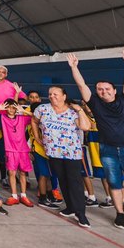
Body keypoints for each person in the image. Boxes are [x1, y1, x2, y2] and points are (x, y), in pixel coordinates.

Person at [68, 49, 124, 237]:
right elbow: (81, 85)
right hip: (108, 149)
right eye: (100, 89)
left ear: (114, 90)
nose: (103, 92)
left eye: (107, 89)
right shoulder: (95, 103)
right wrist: (74, 68)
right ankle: (120, 214)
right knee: (114, 184)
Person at [32, 85, 92, 228]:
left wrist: (80, 110)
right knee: (62, 180)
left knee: (75, 182)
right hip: (53, 152)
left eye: (56, 94)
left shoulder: (73, 111)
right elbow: (34, 121)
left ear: (64, 96)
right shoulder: (42, 109)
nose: (52, 96)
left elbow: (85, 127)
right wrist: (36, 135)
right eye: (50, 94)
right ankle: (70, 207)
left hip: (72, 153)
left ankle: (81, 213)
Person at [0, 98, 34, 207]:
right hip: (10, 150)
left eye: (13, 107)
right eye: (8, 107)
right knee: (11, 173)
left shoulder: (22, 118)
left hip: (22, 150)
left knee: (23, 172)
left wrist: (23, 110)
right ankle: (14, 196)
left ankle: (23, 195)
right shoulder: (1, 118)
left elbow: (35, 117)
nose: (11, 109)